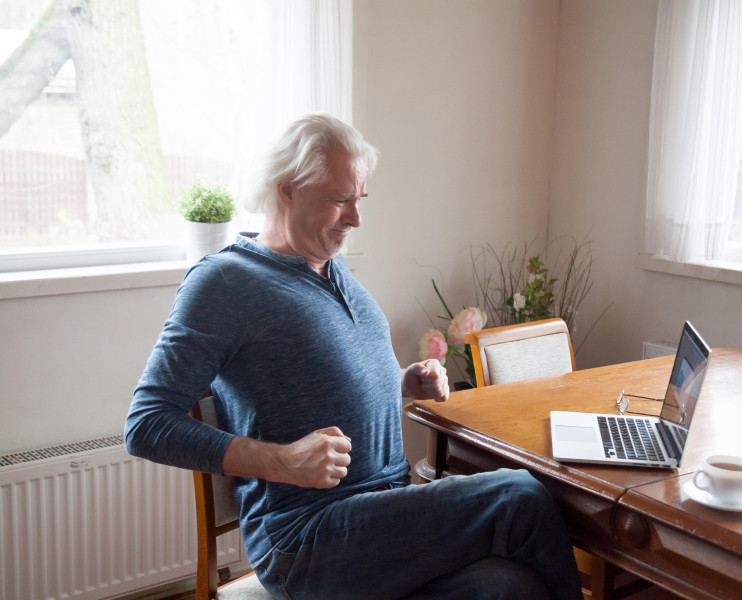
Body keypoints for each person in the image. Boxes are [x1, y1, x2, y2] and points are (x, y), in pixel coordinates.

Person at [125, 113, 581, 600]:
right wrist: (282, 461)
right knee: (519, 497)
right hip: (307, 537)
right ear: (287, 190)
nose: (356, 218)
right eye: (341, 200)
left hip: (380, 515)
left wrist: (404, 380)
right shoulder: (225, 283)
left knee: (510, 586)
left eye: (359, 200)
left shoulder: (332, 268)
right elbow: (147, 424)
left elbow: (315, 378)